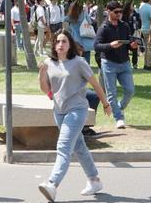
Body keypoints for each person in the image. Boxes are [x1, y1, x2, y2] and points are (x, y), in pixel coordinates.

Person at [37, 30, 111, 201]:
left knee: (63, 147)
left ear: (70, 44)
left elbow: (95, 84)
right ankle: (94, 180)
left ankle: (52, 184)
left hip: (77, 110)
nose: (60, 45)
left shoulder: (78, 62)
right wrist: (42, 74)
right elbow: (46, 90)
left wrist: (106, 103)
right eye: (57, 42)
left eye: (64, 41)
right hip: (59, 111)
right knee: (79, 147)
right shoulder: (49, 63)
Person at [95, 1, 138, 129]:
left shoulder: (124, 26)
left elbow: (128, 44)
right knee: (111, 93)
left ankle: (118, 108)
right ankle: (119, 118)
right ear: (108, 11)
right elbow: (96, 46)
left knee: (130, 90)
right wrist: (110, 45)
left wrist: (133, 46)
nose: (119, 14)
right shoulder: (103, 28)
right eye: (116, 12)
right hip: (109, 63)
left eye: (120, 12)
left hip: (124, 63)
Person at [63, 0, 94, 65]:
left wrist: (70, 28)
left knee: (74, 58)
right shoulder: (84, 12)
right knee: (86, 60)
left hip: (74, 39)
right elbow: (90, 22)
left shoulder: (71, 15)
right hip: (85, 38)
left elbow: (64, 20)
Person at [136, 0, 151, 70]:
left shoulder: (141, 7)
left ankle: (145, 64)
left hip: (143, 28)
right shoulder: (150, 8)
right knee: (150, 47)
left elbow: (140, 18)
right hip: (149, 29)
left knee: (147, 47)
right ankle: (148, 65)